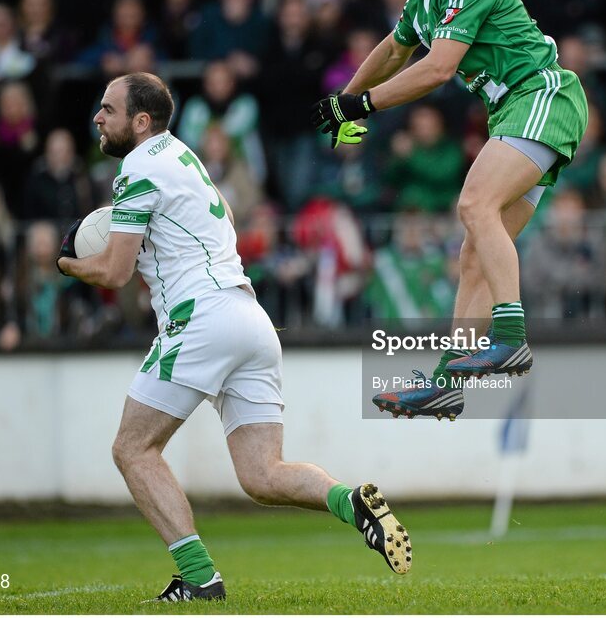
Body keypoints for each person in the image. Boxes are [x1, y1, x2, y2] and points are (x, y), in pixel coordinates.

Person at [56, 73, 413, 602]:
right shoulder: (183, 158)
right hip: (250, 318)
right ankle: (350, 502)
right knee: (262, 474)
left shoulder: (138, 167)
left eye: (107, 109)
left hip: (201, 318)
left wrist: (68, 262)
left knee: (133, 449)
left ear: (141, 121)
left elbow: (112, 273)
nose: (97, 118)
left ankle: (198, 578)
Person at [310, 0, 588, 419]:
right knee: (473, 254)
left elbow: (437, 69)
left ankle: (510, 337)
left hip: (542, 96)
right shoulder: (423, 0)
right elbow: (394, 52)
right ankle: (448, 380)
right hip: (518, 112)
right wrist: (342, 99)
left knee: (474, 204)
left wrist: (362, 104)